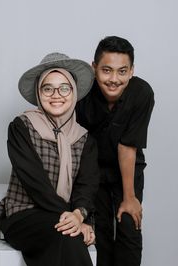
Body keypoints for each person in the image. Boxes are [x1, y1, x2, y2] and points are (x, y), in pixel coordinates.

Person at [0, 52, 100, 266]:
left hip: (65, 215)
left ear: (73, 92)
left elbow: (87, 186)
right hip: (23, 215)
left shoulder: (84, 138)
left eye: (64, 87)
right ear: (38, 92)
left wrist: (80, 216)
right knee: (69, 235)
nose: (56, 95)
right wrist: (73, 219)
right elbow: (35, 183)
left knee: (68, 234)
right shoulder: (22, 126)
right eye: (48, 88)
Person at [76, 36, 155, 266]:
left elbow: (128, 145)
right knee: (98, 232)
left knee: (129, 228)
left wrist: (129, 197)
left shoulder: (141, 93)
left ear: (131, 71)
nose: (113, 79)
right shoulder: (82, 94)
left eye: (122, 71)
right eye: (106, 70)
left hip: (128, 171)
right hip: (91, 171)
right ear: (94, 68)